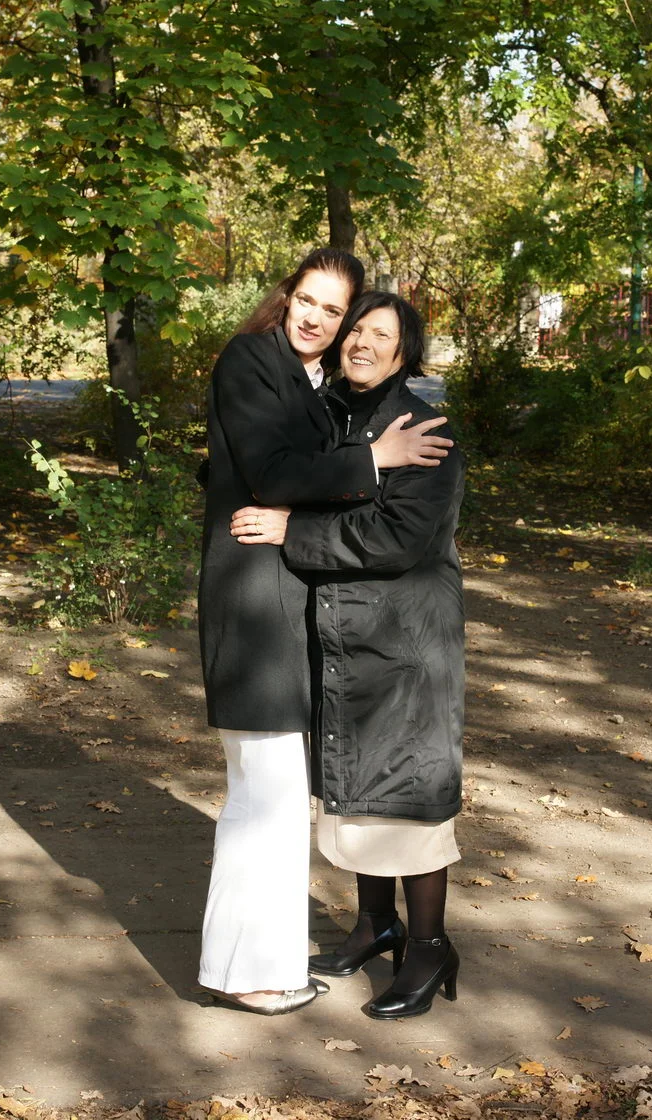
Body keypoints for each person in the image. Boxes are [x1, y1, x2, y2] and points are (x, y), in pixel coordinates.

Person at [197, 251, 454, 1015]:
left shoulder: (337, 395)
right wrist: (373, 459)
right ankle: (254, 974)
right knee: (267, 804)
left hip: (345, 627)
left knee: (283, 802)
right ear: (287, 297)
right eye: (307, 300)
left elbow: (313, 485)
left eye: (334, 310)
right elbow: (272, 471)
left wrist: (291, 505)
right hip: (260, 618)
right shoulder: (256, 359)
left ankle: (270, 964)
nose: (318, 319)